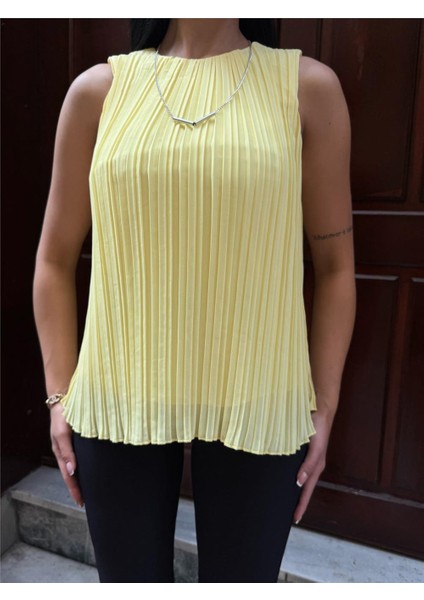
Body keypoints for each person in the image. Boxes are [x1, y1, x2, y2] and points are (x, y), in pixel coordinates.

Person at [33, 18, 356, 583]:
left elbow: (335, 268)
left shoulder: (307, 89)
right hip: (119, 394)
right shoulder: (97, 93)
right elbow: (54, 261)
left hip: (261, 398)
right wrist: (59, 396)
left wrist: (323, 406)